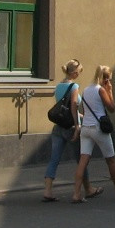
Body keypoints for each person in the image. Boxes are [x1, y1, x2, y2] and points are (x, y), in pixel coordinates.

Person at [71, 64, 115, 202]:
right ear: (105, 79)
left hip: (86, 128)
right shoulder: (101, 90)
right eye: (109, 79)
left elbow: (85, 109)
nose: (110, 82)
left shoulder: (86, 90)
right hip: (98, 128)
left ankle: (76, 194)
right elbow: (111, 108)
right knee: (111, 160)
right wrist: (110, 91)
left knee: (83, 161)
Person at [42, 59, 96, 201]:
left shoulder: (59, 86)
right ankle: (88, 189)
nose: (79, 75)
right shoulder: (74, 86)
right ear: (74, 73)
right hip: (71, 127)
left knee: (54, 159)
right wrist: (78, 126)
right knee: (81, 159)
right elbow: (72, 106)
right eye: (78, 72)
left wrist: (80, 115)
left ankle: (47, 191)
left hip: (58, 126)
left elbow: (63, 108)